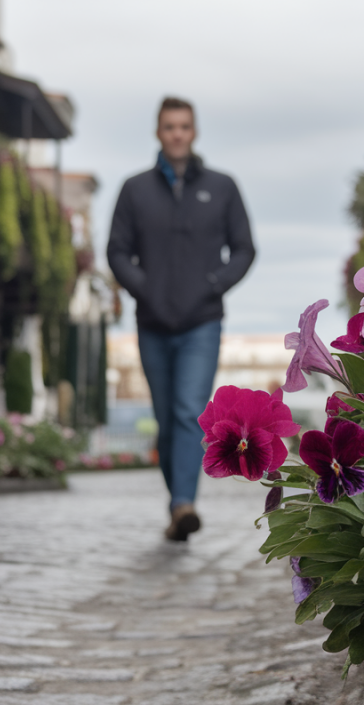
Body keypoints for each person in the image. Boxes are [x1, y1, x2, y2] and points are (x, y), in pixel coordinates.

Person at [107, 97, 255, 541]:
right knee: (166, 417)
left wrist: (213, 283)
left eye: (184, 126)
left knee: (190, 412)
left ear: (194, 133)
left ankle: (183, 504)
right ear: (158, 132)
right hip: (152, 323)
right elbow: (116, 251)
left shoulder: (223, 187)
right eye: (169, 126)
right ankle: (179, 505)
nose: (177, 133)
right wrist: (145, 287)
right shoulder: (134, 189)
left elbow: (244, 249)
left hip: (202, 323)